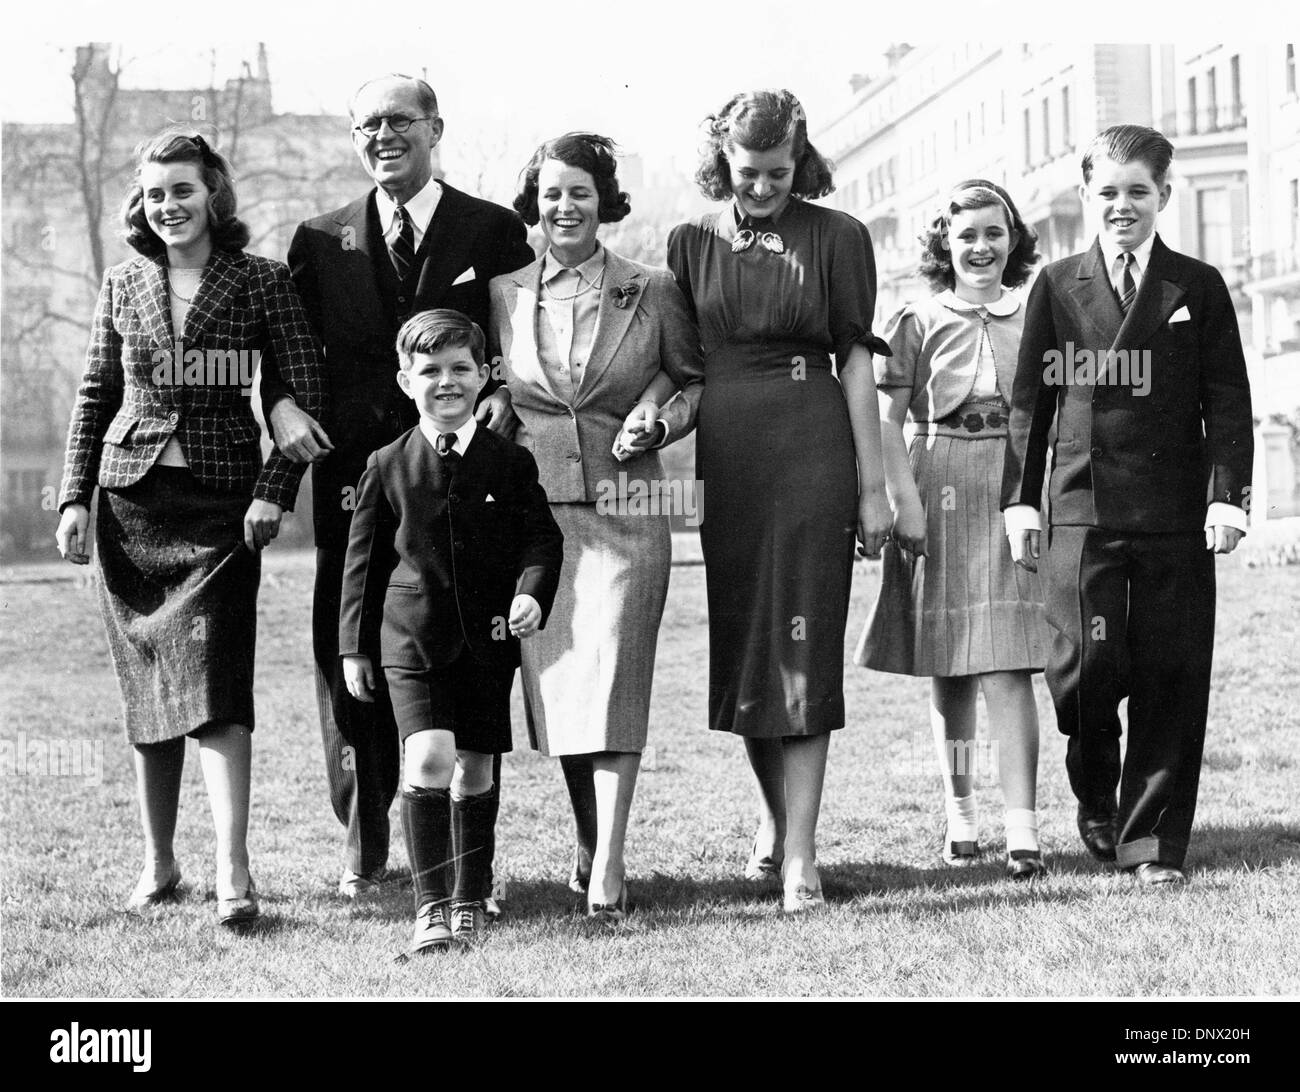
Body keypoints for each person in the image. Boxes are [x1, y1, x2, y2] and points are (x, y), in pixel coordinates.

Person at [259, 74, 536, 900]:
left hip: (458, 481)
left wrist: (496, 396)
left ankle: (461, 845)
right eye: (367, 125)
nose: (384, 136)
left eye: (400, 122)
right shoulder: (319, 238)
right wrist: (277, 407)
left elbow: (518, 343)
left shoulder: (491, 228)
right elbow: (287, 350)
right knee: (348, 645)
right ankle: (364, 827)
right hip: (353, 479)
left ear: (435, 129)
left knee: (458, 644)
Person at [54, 129, 324, 927]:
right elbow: (96, 392)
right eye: (153, 193)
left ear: (214, 196)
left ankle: (232, 869)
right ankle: (159, 863)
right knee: (148, 688)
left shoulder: (260, 282)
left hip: (222, 511)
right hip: (130, 505)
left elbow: (304, 393)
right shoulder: (122, 283)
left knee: (215, 686)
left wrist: (275, 490)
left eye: (183, 189)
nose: (167, 205)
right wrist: (74, 498)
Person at [1001, 125, 1253, 885]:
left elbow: (1228, 401)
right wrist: (1021, 502)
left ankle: (1151, 845)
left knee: (1170, 674)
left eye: (1138, 191)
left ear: (1164, 197)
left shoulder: (1196, 286)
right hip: (1082, 508)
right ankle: (1096, 795)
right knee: (1083, 670)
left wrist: (1226, 498)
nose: (1122, 206)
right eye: (1107, 192)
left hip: (1175, 514)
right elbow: (1030, 405)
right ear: (1085, 197)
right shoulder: (1056, 285)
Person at [667, 90, 892, 912]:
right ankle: (773, 818)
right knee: (752, 650)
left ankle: (801, 857)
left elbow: (858, 363)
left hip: (812, 449)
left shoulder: (839, 236)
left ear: (802, 161)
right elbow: (685, 370)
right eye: (746, 172)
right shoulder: (690, 242)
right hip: (728, 456)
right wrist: (657, 420)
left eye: (777, 172)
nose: (760, 188)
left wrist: (872, 490)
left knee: (803, 649)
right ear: (721, 160)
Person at [486, 132, 703, 921]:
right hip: (533, 522)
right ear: (534, 204)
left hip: (626, 510)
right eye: (550, 193)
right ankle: (588, 842)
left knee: (613, 680)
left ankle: (609, 864)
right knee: (563, 688)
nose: (564, 206)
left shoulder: (651, 286)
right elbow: (494, 389)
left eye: (580, 192)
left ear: (604, 201)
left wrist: (658, 416)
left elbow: (689, 378)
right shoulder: (504, 292)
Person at [338, 309, 562, 951]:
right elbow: (363, 566)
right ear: (406, 380)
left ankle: (471, 894)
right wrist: (355, 648)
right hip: (410, 639)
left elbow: (541, 539)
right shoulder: (385, 465)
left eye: (460, 369)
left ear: (483, 375)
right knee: (431, 755)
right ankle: (430, 907)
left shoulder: (510, 463)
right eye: (429, 370)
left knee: (475, 769)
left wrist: (529, 594)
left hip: (489, 641)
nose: (445, 382)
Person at [855, 181, 1048, 880]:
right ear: (945, 245)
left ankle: (1022, 827)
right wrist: (901, 500)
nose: (981, 247)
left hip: (1014, 485)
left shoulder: (1036, 309)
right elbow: (885, 417)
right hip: (937, 482)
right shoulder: (917, 316)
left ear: (1013, 238)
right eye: (966, 236)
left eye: (994, 233)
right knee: (951, 664)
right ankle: (962, 814)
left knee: (1007, 657)